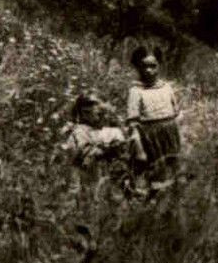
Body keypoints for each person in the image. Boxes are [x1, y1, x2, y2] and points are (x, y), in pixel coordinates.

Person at [125, 47, 182, 184]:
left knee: (172, 171)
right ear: (138, 67)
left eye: (153, 66)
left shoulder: (167, 87)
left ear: (159, 66)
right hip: (150, 137)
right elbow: (133, 123)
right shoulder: (136, 91)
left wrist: (178, 134)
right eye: (144, 66)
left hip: (169, 134)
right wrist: (139, 149)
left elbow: (175, 113)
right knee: (153, 172)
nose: (149, 70)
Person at [58, 93, 131, 185]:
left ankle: (123, 182)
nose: (99, 114)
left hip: (108, 164)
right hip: (88, 169)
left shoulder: (111, 130)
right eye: (89, 110)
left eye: (100, 111)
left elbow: (123, 144)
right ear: (83, 112)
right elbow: (82, 152)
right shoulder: (79, 130)